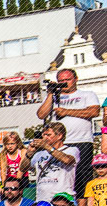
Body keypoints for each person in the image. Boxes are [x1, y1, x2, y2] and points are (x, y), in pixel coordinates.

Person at [37, 67, 101, 196]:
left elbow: (94, 112)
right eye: (61, 81)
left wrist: (67, 112)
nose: (64, 83)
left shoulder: (87, 95)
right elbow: (41, 114)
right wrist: (50, 94)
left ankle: (82, 205)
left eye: (67, 79)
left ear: (75, 79)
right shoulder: (54, 97)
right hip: (58, 143)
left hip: (81, 140)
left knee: (82, 176)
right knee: (60, 175)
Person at [29, 122, 77, 205]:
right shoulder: (39, 154)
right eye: (43, 135)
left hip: (63, 200)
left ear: (59, 136)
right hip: (42, 199)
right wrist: (28, 153)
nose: (45, 138)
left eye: (48, 135)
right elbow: (23, 168)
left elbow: (67, 160)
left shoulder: (71, 150)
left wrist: (47, 147)